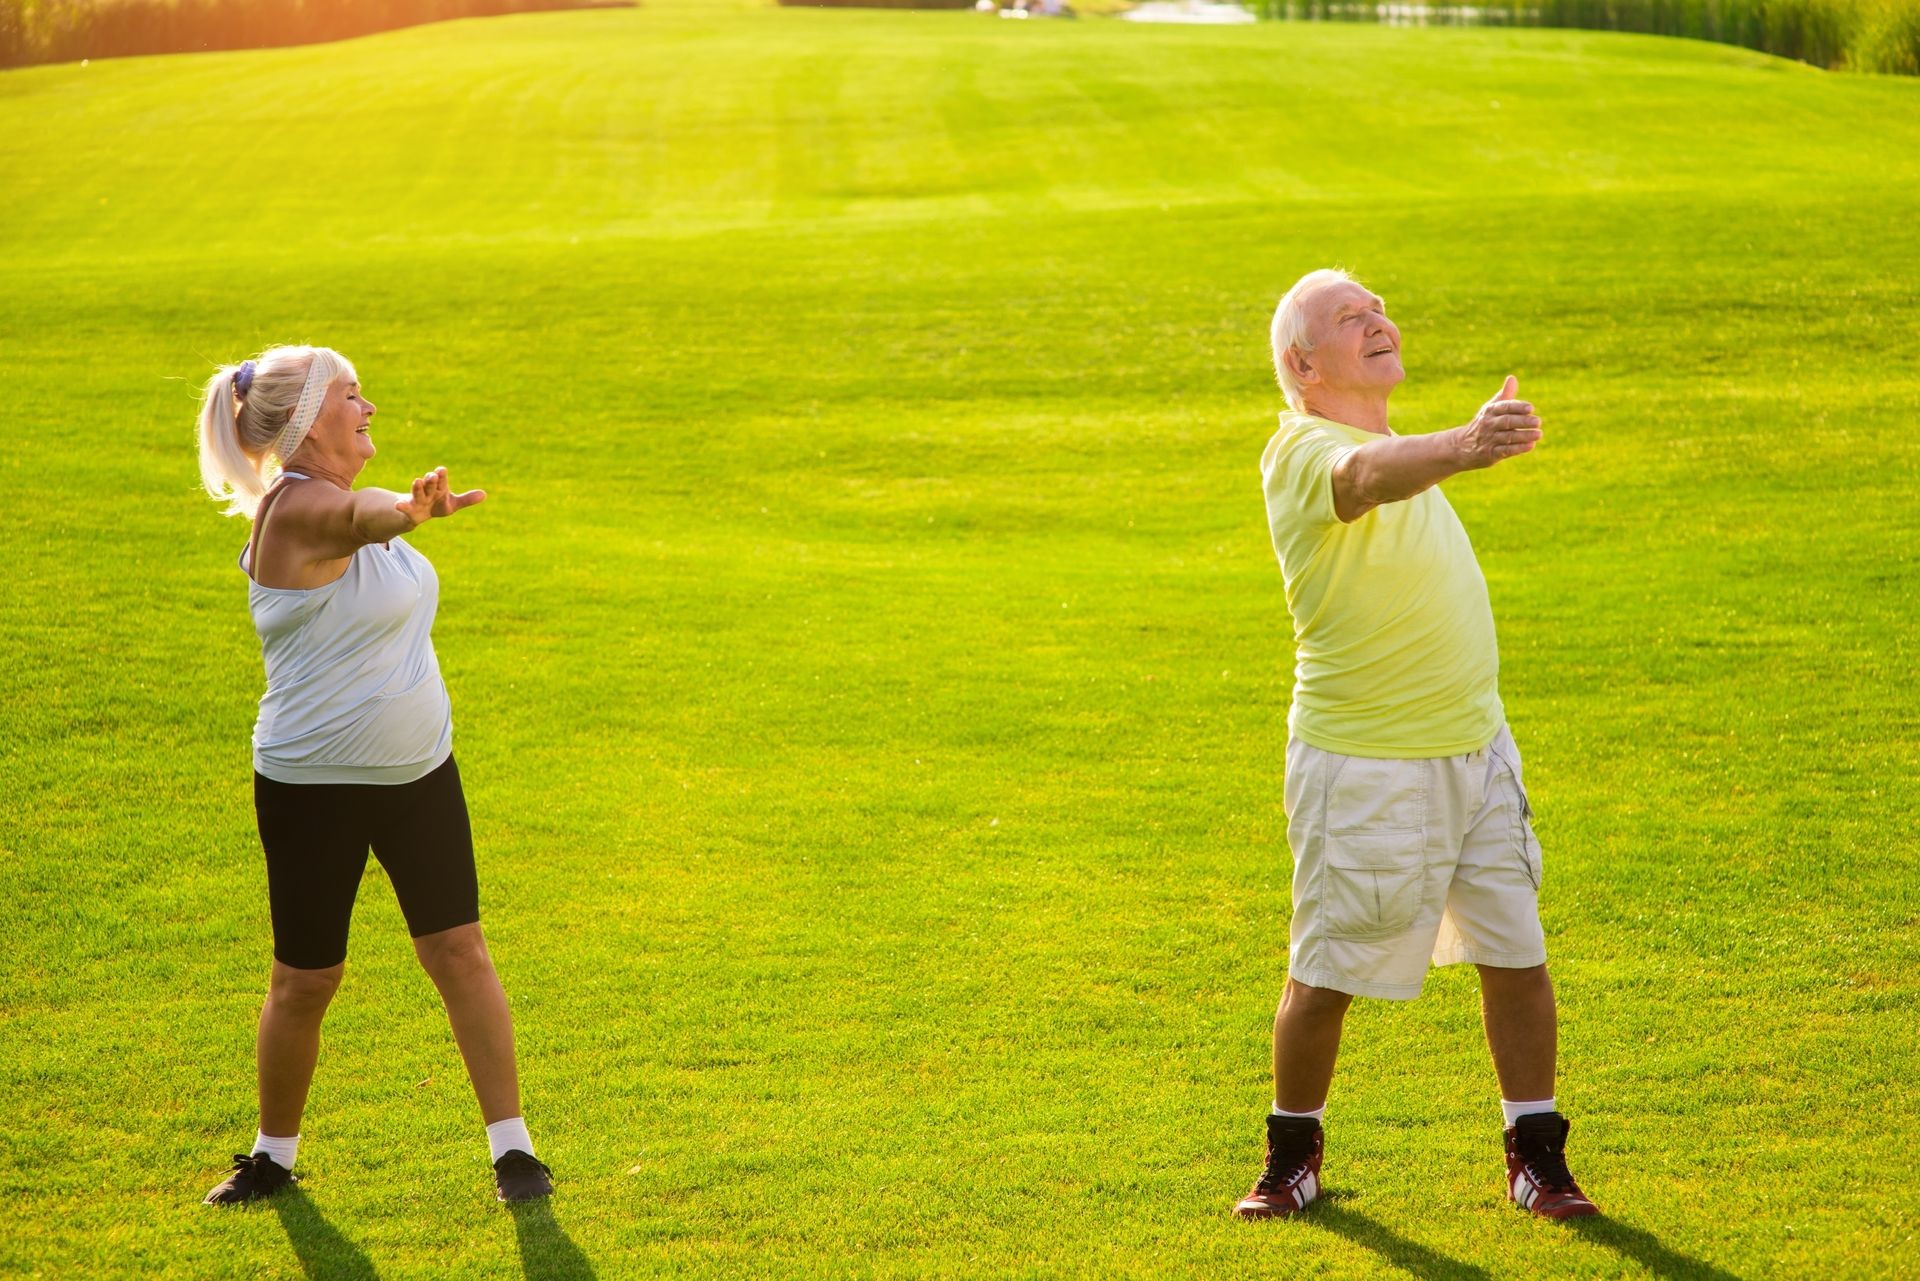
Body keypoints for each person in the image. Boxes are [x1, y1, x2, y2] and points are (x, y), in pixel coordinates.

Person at [1234, 269, 1598, 1221]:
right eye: (1350, 317)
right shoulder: (1303, 450)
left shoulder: (1401, 447)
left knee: (1516, 951)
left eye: (1380, 307)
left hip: (1476, 750)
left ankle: (1537, 1155)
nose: (1378, 319)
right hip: (1364, 763)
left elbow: (1391, 467)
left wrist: (1451, 448)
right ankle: (1291, 1155)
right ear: (1302, 365)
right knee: (1325, 972)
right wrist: (1468, 445)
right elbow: (1360, 484)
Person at [194, 345, 552, 1206]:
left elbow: (368, 519)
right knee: (306, 978)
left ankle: (515, 1152)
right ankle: (273, 1156)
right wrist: (410, 511)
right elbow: (358, 520)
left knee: (459, 950)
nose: (370, 407)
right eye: (352, 395)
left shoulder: (338, 502)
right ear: (310, 415)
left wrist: (406, 512)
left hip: (418, 772)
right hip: (313, 787)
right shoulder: (293, 512)